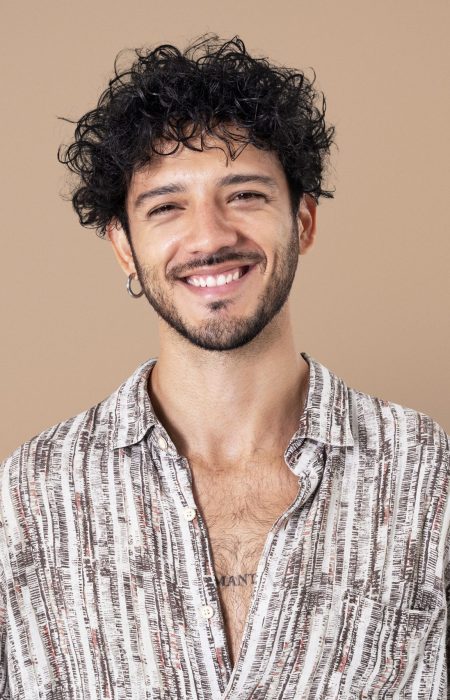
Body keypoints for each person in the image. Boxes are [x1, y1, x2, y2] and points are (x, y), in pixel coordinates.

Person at [0, 35, 448, 699]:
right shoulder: (30, 500)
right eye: (166, 206)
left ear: (303, 222)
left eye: (244, 195)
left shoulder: (428, 478)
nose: (210, 236)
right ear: (124, 247)